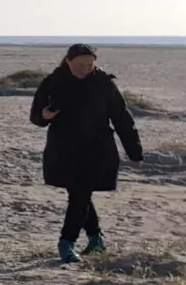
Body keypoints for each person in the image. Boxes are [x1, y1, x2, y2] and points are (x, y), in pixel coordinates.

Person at [30, 43, 143, 263]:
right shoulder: (53, 82)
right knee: (79, 194)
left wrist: (134, 151)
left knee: (80, 194)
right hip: (64, 150)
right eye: (81, 64)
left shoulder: (104, 84)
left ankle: (66, 242)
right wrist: (46, 114)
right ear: (68, 61)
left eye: (90, 64)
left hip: (97, 150)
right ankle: (96, 238)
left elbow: (122, 118)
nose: (85, 69)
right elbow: (36, 117)